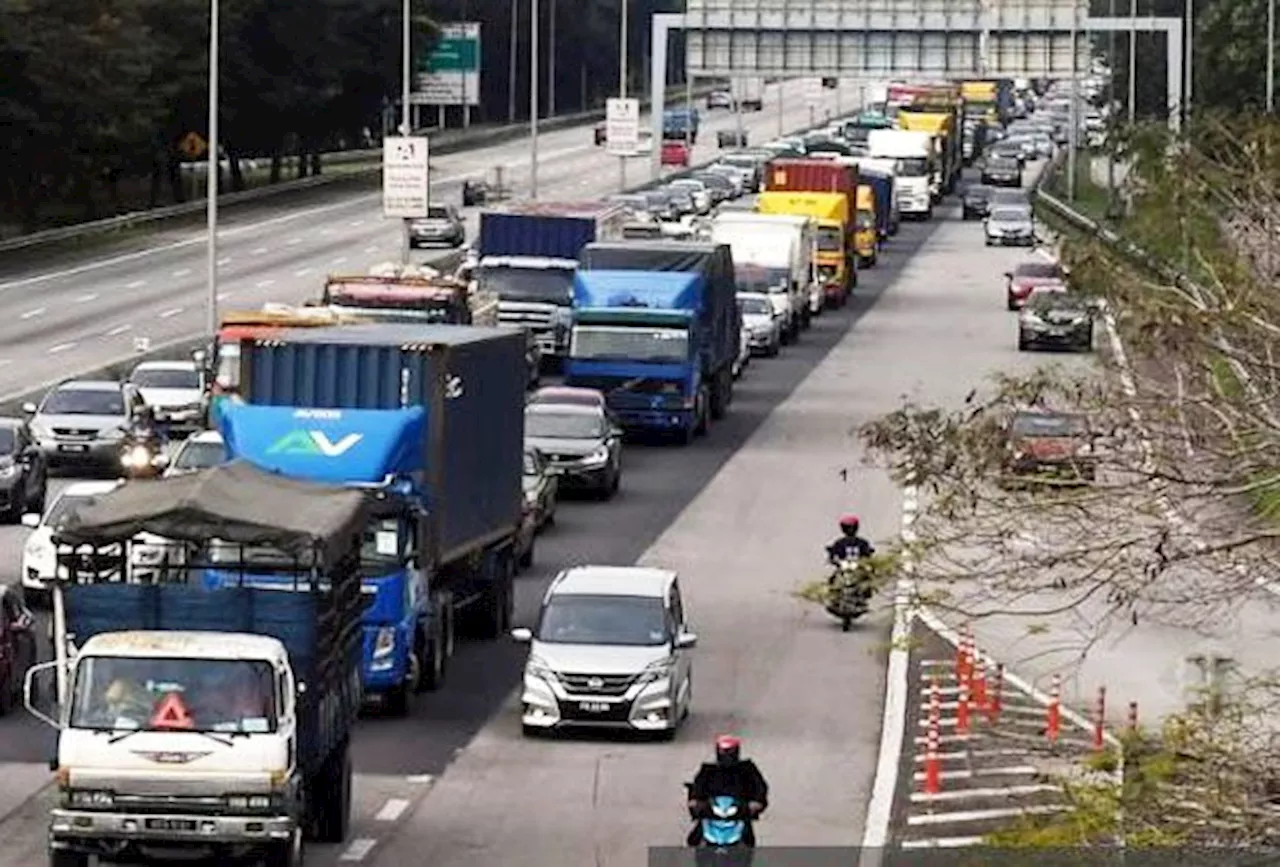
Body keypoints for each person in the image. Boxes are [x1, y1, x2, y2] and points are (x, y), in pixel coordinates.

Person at [686, 735, 769, 847]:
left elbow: (759, 787)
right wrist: (695, 801)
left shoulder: (747, 769)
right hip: (712, 812)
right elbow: (697, 787)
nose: (726, 755)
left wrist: (756, 802)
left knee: (748, 841)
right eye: (723, 751)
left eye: (729, 751)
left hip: (739, 813)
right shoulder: (708, 770)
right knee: (693, 840)